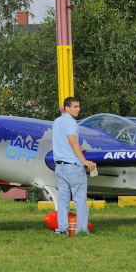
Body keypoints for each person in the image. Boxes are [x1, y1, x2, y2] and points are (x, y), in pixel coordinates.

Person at [52, 96, 97, 234]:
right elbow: (72, 141)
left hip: (59, 167)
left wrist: (79, 148)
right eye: (75, 107)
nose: (79, 109)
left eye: (78, 106)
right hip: (73, 167)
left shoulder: (57, 121)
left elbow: (64, 142)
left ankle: (61, 229)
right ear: (67, 108)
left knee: (63, 200)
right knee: (80, 200)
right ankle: (81, 230)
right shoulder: (71, 123)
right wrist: (85, 161)